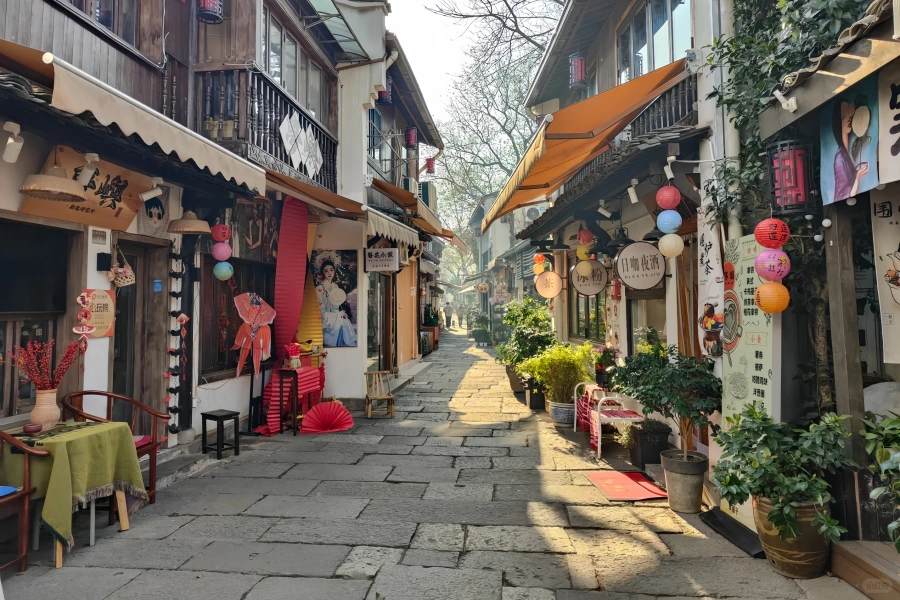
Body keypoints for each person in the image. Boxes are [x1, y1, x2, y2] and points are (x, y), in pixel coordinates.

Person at [832, 99, 869, 201]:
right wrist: (857, 178)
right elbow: (846, 194)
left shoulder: (844, 152)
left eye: (850, 116)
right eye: (844, 117)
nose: (848, 119)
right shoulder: (840, 158)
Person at [315, 260, 358, 347]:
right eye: (326, 271)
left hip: (336, 317)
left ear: (334, 271)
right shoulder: (319, 289)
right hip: (326, 319)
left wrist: (340, 314)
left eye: (331, 270)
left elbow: (336, 307)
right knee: (343, 323)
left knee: (344, 320)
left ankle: (350, 346)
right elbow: (321, 312)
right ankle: (351, 346)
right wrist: (338, 315)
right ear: (323, 273)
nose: (329, 273)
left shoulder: (335, 286)